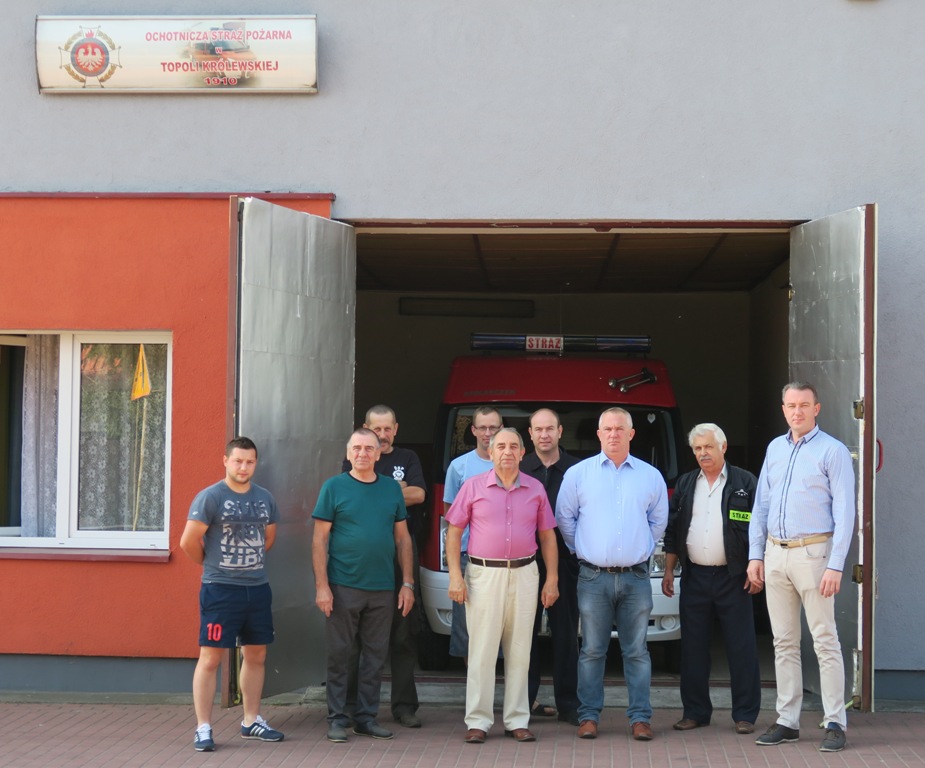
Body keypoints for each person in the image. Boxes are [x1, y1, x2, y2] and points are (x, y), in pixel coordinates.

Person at [747, 382, 856, 753]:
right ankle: (787, 721)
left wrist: (836, 564)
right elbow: (761, 506)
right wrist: (756, 555)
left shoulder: (832, 451)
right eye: (791, 405)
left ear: (816, 408)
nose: (797, 411)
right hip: (776, 554)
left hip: (815, 555)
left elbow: (845, 512)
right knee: (783, 642)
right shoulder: (775, 449)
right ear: (783, 409)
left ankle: (835, 722)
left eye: (804, 405)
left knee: (824, 639)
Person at [556, 407, 668, 742]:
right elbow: (565, 519)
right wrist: (584, 550)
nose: (614, 434)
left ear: (631, 434)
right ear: (599, 434)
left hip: (636, 577)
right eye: (608, 429)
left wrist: (639, 549)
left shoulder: (650, 476)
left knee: (637, 652)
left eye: (620, 428)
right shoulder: (578, 474)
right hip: (593, 577)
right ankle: (588, 716)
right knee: (592, 650)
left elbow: (658, 522)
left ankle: (640, 718)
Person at [445, 427, 559, 744]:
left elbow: (547, 536)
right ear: (491, 452)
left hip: (525, 574)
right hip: (483, 575)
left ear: (522, 453)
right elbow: (453, 532)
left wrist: (551, 578)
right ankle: (478, 721)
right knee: (481, 650)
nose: (507, 451)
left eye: (513, 446)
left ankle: (517, 720)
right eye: (501, 447)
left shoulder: (535, 489)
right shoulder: (472, 486)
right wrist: (455, 575)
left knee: (520, 650)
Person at [179, 436, 285, 753]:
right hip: (220, 591)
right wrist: (213, 565)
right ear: (226, 461)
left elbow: (268, 539)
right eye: (238, 460)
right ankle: (203, 727)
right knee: (211, 657)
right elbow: (188, 542)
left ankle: (251, 721)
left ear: (256, 463)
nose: (243, 467)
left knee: (256, 655)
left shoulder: (265, 498)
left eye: (249, 461)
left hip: (257, 589)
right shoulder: (211, 497)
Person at [312, 428, 416, 743]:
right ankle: (336, 718)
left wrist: (407, 583)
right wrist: (322, 586)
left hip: (383, 587)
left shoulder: (391, 489)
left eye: (369, 448)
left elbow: (403, 538)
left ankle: (366, 719)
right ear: (348, 453)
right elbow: (319, 539)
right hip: (343, 585)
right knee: (340, 655)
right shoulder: (333, 487)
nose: (362, 453)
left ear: (378, 453)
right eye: (356, 448)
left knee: (374, 657)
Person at [662, 423, 761, 734]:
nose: (703, 453)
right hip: (695, 577)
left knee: (741, 647)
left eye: (708, 447)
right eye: (697, 448)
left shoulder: (745, 482)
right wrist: (669, 569)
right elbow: (673, 529)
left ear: (723, 447)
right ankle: (695, 712)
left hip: (735, 577)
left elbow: (761, 529)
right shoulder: (686, 483)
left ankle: (745, 715)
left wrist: (756, 567)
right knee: (693, 648)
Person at [343, 405, 426, 728]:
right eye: (376, 428)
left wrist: (380, 491)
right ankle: (351, 706)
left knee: (403, 632)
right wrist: (394, 491)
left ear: (396, 429)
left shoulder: (408, 458)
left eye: (387, 428)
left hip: (401, 549)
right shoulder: (356, 456)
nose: (382, 434)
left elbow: (419, 495)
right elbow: (353, 495)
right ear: (366, 427)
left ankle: (405, 707)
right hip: (363, 553)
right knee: (357, 634)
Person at [520, 408, 581, 726]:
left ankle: (568, 704)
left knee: (566, 634)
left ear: (560, 432)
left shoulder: (577, 471)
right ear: (530, 434)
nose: (544, 435)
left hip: (567, 563)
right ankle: (524, 702)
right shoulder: (518, 468)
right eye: (538, 429)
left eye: (550, 429)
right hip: (524, 563)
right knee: (522, 636)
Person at [442, 406, 504, 661]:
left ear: (501, 428)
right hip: (468, 556)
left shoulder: (513, 463)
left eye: (493, 427)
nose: (488, 433)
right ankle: (474, 682)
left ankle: (499, 683)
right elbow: (450, 514)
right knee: (468, 624)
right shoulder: (459, 467)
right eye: (482, 427)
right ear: (473, 430)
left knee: (501, 624)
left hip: (504, 558)